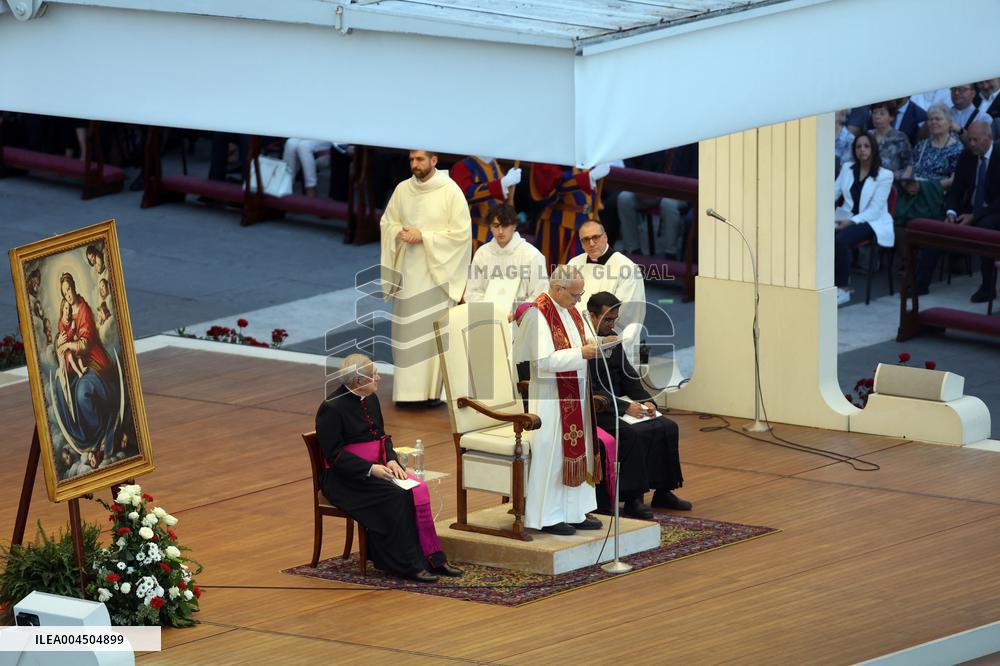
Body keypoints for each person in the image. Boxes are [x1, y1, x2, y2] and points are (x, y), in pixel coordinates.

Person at [315, 354, 462, 582]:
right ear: (357, 381)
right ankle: (406, 565)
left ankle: (433, 559)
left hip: (377, 469)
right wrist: (371, 469)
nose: (379, 378)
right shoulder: (331, 408)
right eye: (373, 376)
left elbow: (382, 437)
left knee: (416, 489)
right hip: (344, 479)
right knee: (397, 495)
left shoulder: (370, 398)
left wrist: (390, 458)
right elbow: (334, 456)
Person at [513, 266, 604, 535]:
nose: (579, 300)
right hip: (552, 396)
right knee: (553, 456)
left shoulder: (569, 308)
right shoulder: (538, 313)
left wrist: (599, 343)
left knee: (579, 451)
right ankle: (548, 516)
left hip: (576, 390)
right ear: (558, 289)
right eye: (576, 294)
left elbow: (577, 342)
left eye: (581, 294)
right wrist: (582, 353)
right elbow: (542, 361)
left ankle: (574, 512)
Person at [380, 150, 472, 404]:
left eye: (420, 159)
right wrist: (399, 231)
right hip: (408, 272)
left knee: (430, 334)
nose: (414, 164)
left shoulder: (450, 191)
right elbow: (387, 222)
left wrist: (425, 237)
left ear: (434, 161)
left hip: (436, 275)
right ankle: (406, 393)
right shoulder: (402, 189)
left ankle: (431, 394)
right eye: (411, 160)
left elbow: (461, 234)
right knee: (406, 331)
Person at [586, 292, 689, 517]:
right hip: (599, 407)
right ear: (592, 316)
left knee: (666, 426)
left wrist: (646, 401)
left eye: (614, 319)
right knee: (634, 434)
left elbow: (628, 375)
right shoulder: (582, 344)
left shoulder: (612, 337)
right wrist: (624, 408)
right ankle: (633, 498)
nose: (612, 324)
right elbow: (590, 388)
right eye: (607, 319)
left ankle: (663, 490)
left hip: (620, 401)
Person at [922, 121, 1000, 302]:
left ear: (989, 138)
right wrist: (951, 212)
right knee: (938, 228)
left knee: (985, 227)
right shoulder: (967, 156)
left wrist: (975, 216)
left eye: (976, 140)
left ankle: (988, 287)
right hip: (969, 209)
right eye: (970, 139)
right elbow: (956, 190)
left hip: (994, 211)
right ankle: (921, 283)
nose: (971, 143)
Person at [53, 272, 118, 461]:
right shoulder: (65, 314)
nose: (68, 295)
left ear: (74, 287)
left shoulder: (84, 310)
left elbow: (85, 345)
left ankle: (96, 436)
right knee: (59, 387)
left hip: (93, 362)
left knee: (82, 393)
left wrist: (65, 345)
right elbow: (62, 340)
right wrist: (61, 346)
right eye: (64, 292)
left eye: (69, 289)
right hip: (75, 365)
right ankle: (81, 436)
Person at [568, 220, 646, 366]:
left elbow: (625, 316)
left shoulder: (627, 268)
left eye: (595, 237)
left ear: (606, 237)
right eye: (585, 239)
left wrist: (594, 339)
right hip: (577, 343)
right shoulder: (574, 264)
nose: (591, 243)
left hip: (610, 344)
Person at [833, 134, 894, 306]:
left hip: (871, 222)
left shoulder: (885, 175)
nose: (862, 150)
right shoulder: (847, 168)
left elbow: (875, 211)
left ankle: (843, 288)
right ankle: (823, 282)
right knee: (815, 232)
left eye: (866, 146)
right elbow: (833, 193)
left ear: (873, 149)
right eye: (859, 146)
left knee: (840, 240)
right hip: (846, 215)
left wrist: (850, 222)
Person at [464, 203, 548, 315]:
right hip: (486, 319)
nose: (500, 231)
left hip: (521, 321)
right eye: (496, 225)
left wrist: (516, 314)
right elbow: (472, 292)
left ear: (514, 226)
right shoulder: (482, 254)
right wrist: (488, 313)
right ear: (490, 226)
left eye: (505, 225)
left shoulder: (532, 255)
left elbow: (540, 294)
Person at [530, 162, 611, 267]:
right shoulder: (550, 151)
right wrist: (590, 177)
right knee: (553, 271)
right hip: (560, 223)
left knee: (584, 271)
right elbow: (555, 184)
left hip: (587, 220)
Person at [895, 102, 963, 225]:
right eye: (930, 119)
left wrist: (923, 187)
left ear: (949, 122)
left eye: (938, 119)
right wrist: (907, 183)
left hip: (935, 196)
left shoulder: (957, 149)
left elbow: (954, 180)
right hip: (912, 191)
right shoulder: (922, 145)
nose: (933, 122)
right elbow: (909, 169)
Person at [450, 156, 521, 252]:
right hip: (475, 235)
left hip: (498, 233)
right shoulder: (462, 166)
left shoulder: (495, 164)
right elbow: (464, 195)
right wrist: (502, 184)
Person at [867, 101, 911, 180]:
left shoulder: (900, 137)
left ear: (891, 117)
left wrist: (900, 176)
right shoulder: (868, 135)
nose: (877, 117)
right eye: (874, 113)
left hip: (890, 180)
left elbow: (909, 164)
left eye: (882, 113)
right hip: (868, 178)